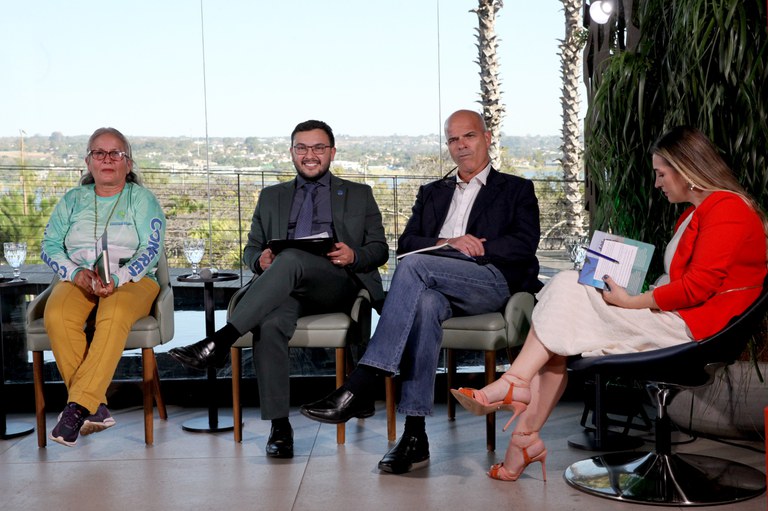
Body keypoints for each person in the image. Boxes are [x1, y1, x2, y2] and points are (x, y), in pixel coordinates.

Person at [451, 125, 768, 481]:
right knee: (561, 323)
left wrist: (632, 302)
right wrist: (631, 286)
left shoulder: (727, 208)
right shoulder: (697, 212)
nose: (657, 183)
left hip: (692, 330)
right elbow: (683, 282)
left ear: (687, 170)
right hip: (677, 318)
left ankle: (515, 385)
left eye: (661, 174)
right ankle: (523, 438)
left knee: (568, 285)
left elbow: (696, 288)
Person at [300, 109, 543, 474]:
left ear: (488, 138)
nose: (461, 146)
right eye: (453, 139)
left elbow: (524, 245)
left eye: (469, 137)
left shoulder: (516, 189)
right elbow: (408, 243)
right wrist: (449, 242)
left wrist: (475, 246)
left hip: (489, 281)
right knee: (425, 303)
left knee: (414, 267)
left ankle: (364, 380)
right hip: (435, 282)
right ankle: (415, 435)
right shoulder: (432, 193)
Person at [169, 119, 388, 459]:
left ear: (331, 152)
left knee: (294, 260)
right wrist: (261, 261)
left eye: (318, 148)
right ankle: (280, 427)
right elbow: (251, 249)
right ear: (291, 152)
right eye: (302, 148)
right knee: (269, 325)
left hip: (336, 284)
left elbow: (380, 249)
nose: (309, 155)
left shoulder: (359, 194)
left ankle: (220, 341)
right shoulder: (271, 196)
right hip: (284, 289)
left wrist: (354, 254)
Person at [41, 127, 166, 447]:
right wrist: (75, 274)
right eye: (99, 153)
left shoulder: (142, 199)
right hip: (79, 277)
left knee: (113, 311)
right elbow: (49, 246)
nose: (107, 159)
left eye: (116, 154)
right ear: (88, 161)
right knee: (56, 313)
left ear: (129, 163)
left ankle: (77, 406)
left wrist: (119, 279)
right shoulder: (72, 200)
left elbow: (151, 249)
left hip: (133, 280)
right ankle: (93, 408)